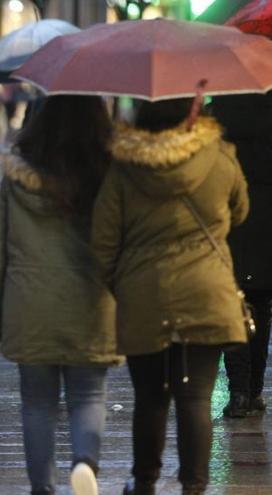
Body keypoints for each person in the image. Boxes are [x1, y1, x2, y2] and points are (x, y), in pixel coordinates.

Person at [91, 99, 249, 495]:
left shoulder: (125, 165)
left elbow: (104, 237)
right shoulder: (219, 156)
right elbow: (240, 209)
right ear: (192, 111)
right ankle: (193, 487)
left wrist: (118, 284)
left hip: (145, 293)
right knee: (196, 396)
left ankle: (144, 482)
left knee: (151, 398)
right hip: (205, 290)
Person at [0, 96, 121, 495]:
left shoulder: (17, 177)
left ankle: (43, 487)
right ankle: (84, 463)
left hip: (30, 304)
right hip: (91, 301)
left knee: (37, 404)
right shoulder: (107, 173)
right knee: (88, 394)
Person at [211, 93, 272, 418]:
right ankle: (255, 391)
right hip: (268, 221)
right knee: (262, 304)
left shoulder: (219, 110)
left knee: (233, 304)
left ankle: (238, 393)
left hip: (231, 217)